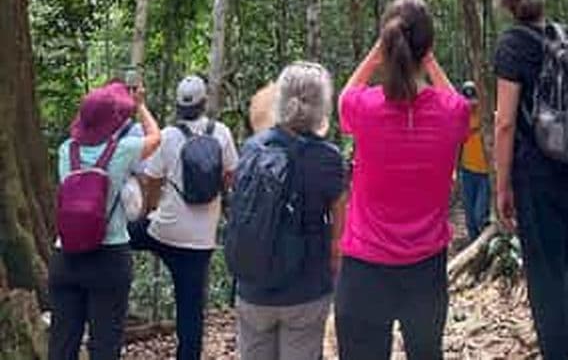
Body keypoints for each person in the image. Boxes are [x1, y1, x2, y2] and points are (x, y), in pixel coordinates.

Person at [334, 0, 470, 360]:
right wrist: (429, 60)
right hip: (425, 267)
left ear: (386, 43)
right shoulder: (451, 113)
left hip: (364, 267)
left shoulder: (363, 108)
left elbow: (344, 97)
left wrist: (377, 52)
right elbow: (457, 106)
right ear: (428, 49)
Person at [493, 0, 568, 360]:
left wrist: (501, 185)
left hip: (536, 174)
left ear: (505, 3)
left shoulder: (512, 45)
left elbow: (505, 122)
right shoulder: (566, 34)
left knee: (544, 274)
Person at [234, 63, 346, 360]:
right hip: (305, 286)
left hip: (253, 285)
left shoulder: (251, 149)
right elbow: (339, 214)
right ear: (322, 105)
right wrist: (335, 254)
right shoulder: (328, 158)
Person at [48, 80, 161, 360]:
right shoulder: (122, 150)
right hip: (109, 257)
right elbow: (156, 138)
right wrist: (140, 106)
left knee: (62, 344)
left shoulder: (66, 151)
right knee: (105, 345)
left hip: (66, 257)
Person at [129, 75, 238, 360]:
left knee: (119, 237)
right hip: (200, 242)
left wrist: (148, 212)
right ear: (204, 104)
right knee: (191, 312)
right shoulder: (222, 133)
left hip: (165, 233)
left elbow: (152, 180)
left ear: (179, 106)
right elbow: (230, 176)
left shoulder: (168, 136)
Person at [458, 80, 491, 242]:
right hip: (467, 171)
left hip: (485, 173)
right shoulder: (460, 117)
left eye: (473, 99)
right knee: (470, 217)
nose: (471, 103)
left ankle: (483, 244)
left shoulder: (486, 116)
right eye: (467, 99)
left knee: (480, 215)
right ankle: (474, 248)